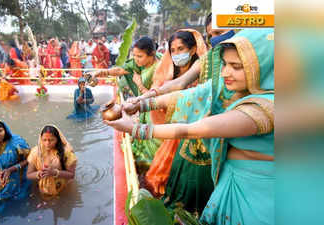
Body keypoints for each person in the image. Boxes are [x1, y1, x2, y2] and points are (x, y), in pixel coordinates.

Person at [106, 29, 274, 224]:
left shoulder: (266, 108)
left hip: (257, 196)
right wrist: (141, 103)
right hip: (229, 180)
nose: (225, 72)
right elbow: (185, 95)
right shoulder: (228, 86)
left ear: (262, 66)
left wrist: (135, 129)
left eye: (235, 66)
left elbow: (196, 129)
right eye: (225, 64)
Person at [142, 30, 212, 214]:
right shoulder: (171, 71)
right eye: (173, 50)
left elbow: (180, 89)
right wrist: (144, 99)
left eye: (181, 48)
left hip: (197, 130)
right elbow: (167, 89)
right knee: (167, 173)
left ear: (193, 49)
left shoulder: (204, 68)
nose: (176, 54)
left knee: (186, 176)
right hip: (173, 129)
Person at [133, 13, 236, 103]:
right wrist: (143, 99)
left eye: (218, 33)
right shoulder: (206, 61)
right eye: (210, 36)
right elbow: (180, 83)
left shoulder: (248, 54)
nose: (214, 39)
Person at [92, 36, 163, 167]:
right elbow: (120, 70)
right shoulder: (140, 63)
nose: (136, 59)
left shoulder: (161, 69)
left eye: (139, 56)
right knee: (143, 133)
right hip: (144, 106)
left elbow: (159, 95)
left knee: (154, 139)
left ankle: (153, 165)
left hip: (157, 110)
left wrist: (140, 85)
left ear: (152, 54)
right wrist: (100, 72)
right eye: (134, 55)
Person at [26, 125, 77, 200]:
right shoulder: (35, 152)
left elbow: (71, 175)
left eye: (51, 140)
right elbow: (29, 175)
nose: (47, 143)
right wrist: (39, 174)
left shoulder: (66, 153)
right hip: (43, 188)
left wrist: (54, 173)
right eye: (44, 140)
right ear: (41, 139)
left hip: (63, 187)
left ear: (57, 139)